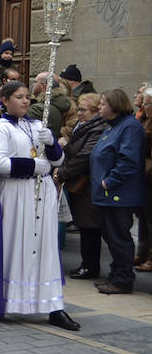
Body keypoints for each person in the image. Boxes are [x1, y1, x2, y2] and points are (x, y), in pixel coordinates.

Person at [0, 81, 79, 331]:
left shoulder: (39, 125)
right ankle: (6, 299)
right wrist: (34, 166)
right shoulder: (0, 127)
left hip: (42, 194)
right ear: (4, 100)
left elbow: (57, 159)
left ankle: (53, 306)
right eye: (19, 97)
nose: (25, 101)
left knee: (45, 247)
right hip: (15, 193)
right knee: (17, 245)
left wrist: (53, 143)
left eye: (27, 97)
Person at [89, 89, 145, 295]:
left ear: (115, 105)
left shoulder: (129, 127)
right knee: (111, 237)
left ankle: (123, 280)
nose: (100, 107)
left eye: (103, 103)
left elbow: (128, 161)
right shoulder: (113, 126)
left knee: (119, 237)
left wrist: (109, 182)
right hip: (107, 195)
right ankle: (115, 274)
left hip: (117, 195)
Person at [54, 93, 105, 279]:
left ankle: (90, 266)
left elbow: (84, 157)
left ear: (94, 111)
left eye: (83, 110)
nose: (79, 113)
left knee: (90, 226)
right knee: (85, 224)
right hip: (78, 181)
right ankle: (87, 264)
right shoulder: (82, 124)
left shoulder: (98, 128)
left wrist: (62, 173)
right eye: (79, 109)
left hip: (87, 184)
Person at [27, 71, 71, 139]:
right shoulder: (58, 104)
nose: (33, 85)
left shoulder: (37, 109)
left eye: (35, 82)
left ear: (44, 87)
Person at [137, 87, 152, 272]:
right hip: (144, 176)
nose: (144, 106)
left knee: (150, 218)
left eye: (147, 104)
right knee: (144, 216)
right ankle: (143, 252)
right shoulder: (144, 119)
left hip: (149, 175)